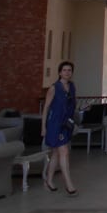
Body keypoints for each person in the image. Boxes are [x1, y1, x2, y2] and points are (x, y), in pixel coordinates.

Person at [42, 60, 78, 195]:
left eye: (69, 70)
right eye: (64, 70)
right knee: (64, 151)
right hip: (55, 124)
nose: (67, 72)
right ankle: (69, 185)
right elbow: (46, 108)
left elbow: (72, 105)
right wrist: (43, 127)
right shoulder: (54, 88)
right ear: (59, 72)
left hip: (65, 124)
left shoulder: (72, 87)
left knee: (56, 154)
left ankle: (49, 180)